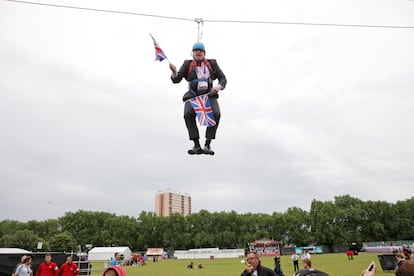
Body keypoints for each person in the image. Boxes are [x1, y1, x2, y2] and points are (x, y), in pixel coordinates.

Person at [170, 41, 227, 155]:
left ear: (204, 53)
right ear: (192, 53)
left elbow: (223, 78)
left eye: (200, 51)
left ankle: (207, 144)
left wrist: (218, 87)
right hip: (193, 95)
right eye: (196, 51)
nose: (198, 53)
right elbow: (176, 80)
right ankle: (196, 145)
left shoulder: (212, 63)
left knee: (216, 114)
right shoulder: (187, 64)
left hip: (209, 94)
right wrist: (174, 72)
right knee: (188, 114)